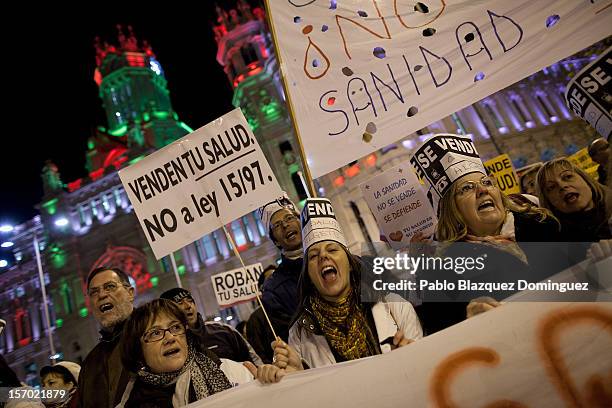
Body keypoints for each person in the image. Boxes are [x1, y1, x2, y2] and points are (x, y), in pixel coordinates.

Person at [409, 134, 560, 334]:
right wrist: (468, 318)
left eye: (487, 182)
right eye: (467, 188)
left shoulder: (544, 224)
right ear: (452, 209)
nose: (482, 190)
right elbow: (438, 329)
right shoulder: (441, 269)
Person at [273, 198, 423, 370]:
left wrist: (410, 357)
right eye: (313, 256)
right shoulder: (299, 334)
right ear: (309, 276)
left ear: (350, 264)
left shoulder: (394, 304)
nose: (323, 256)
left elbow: (425, 365)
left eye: (332, 249)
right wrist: (296, 374)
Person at [116, 299, 284, 407]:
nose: (170, 338)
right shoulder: (130, 402)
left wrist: (273, 384)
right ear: (138, 349)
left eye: (175, 328)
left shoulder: (233, 373)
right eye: (155, 333)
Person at [77, 267, 134, 408]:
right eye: (94, 292)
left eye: (110, 287)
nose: (101, 295)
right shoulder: (88, 366)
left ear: (130, 293)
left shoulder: (155, 337)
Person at [160, 288, 262, 365]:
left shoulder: (223, 330)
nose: (188, 306)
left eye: (190, 301)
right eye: (180, 303)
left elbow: (254, 361)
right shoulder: (169, 345)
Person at [257, 194, 304, 342]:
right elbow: (291, 341)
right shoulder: (273, 290)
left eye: (289, 218)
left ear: (301, 222)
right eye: (276, 225)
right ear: (275, 241)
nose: (285, 225)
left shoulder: (336, 255)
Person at [246, 265, 277, 363]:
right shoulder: (255, 320)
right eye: (270, 279)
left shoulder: (294, 308)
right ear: (262, 288)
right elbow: (258, 356)